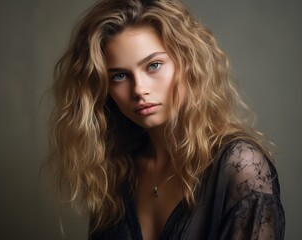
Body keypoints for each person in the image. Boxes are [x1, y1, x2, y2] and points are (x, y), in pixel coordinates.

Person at [46, 0, 285, 239]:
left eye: (154, 65)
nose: (139, 89)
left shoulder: (241, 167)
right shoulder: (116, 172)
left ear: (188, 63)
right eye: (119, 76)